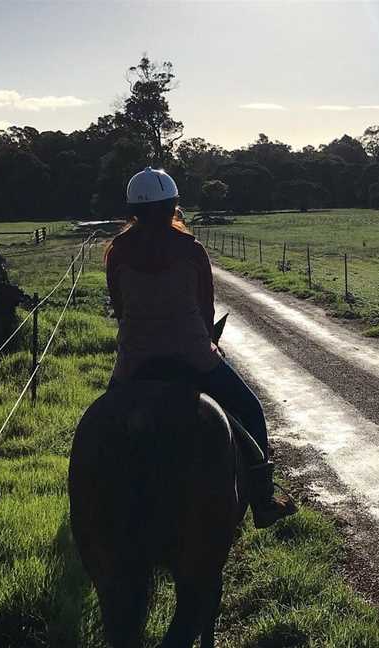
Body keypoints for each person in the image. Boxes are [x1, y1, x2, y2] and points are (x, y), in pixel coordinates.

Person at [105, 166, 296, 529]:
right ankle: (264, 499)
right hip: (193, 358)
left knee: (101, 427)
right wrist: (203, 341)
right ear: (174, 206)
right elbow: (207, 311)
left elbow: (119, 307)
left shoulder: (116, 253)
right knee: (251, 410)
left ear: (132, 211)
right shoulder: (191, 250)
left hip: (134, 363)